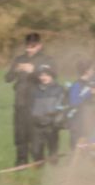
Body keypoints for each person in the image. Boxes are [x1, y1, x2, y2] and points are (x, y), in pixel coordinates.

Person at [5, 33, 55, 164]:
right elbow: (7, 78)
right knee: (20, 135)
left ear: (39, 46)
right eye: (27, 46)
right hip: (20, 103)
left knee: (36, 136)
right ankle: (21, 164)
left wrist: (34, 71)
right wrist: (15, 70)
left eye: (32, 46)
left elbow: (51, 78)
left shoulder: (46, 60)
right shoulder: (19, 59)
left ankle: (38, 164)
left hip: (37, 105)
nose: (29, 49)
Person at [30, 66, 65, 164]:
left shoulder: (59, 89)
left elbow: (62, 106)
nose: (43, 77)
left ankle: (55, 171)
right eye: (41, 75)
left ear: (52, 76)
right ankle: (38, 170)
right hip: (37, 124)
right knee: (36, 150)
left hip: (51, 124)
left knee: (53, 150)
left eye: (46, 75)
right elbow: (31, 106)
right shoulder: (35, 90)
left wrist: (56, 119)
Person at [67, 60, 95, 149]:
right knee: (78, 151)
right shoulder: (76, 85)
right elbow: (74, 102)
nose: (93, 71)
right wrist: (89, 93)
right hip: (79, 123)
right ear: (87, 71)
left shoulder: (91, 83)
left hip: (90, 122)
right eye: (92, 69)